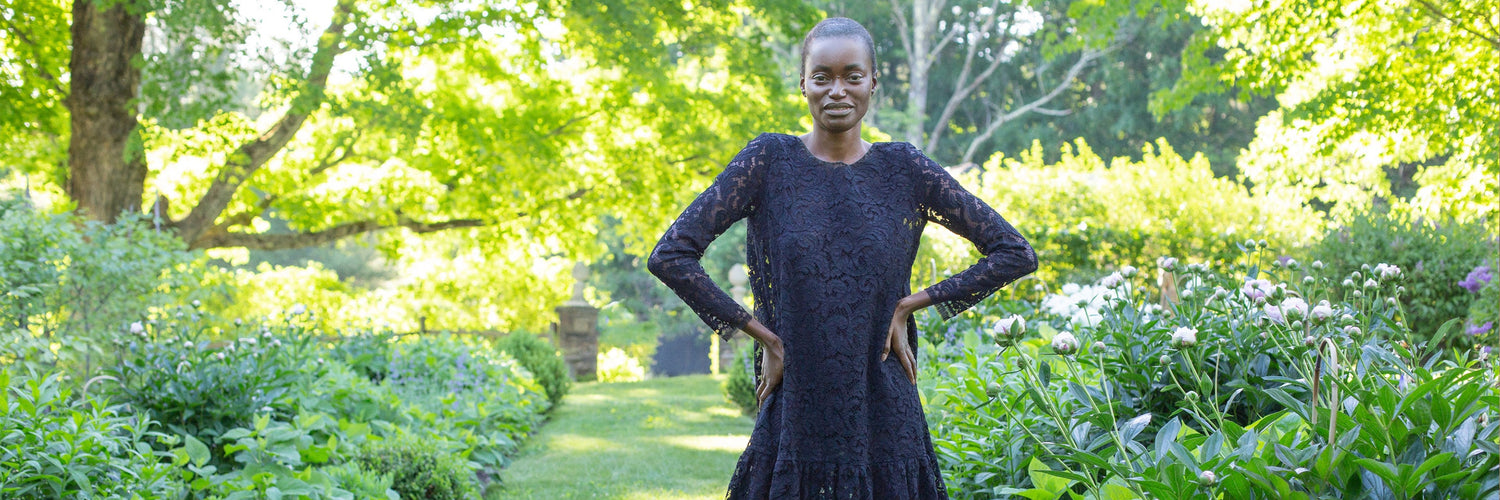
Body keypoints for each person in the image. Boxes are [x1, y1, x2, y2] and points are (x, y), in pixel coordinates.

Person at [647, 17, 1037, 500]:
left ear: (874, 82)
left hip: (884, 399)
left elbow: (1014, 252)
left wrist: (910, 304)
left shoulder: (904, 168)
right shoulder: (769, 162)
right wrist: (762, 334)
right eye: (822, 77)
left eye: (853, 76)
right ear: (803, 83)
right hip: (796, 399)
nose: (837, 90)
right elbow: (671, 255)